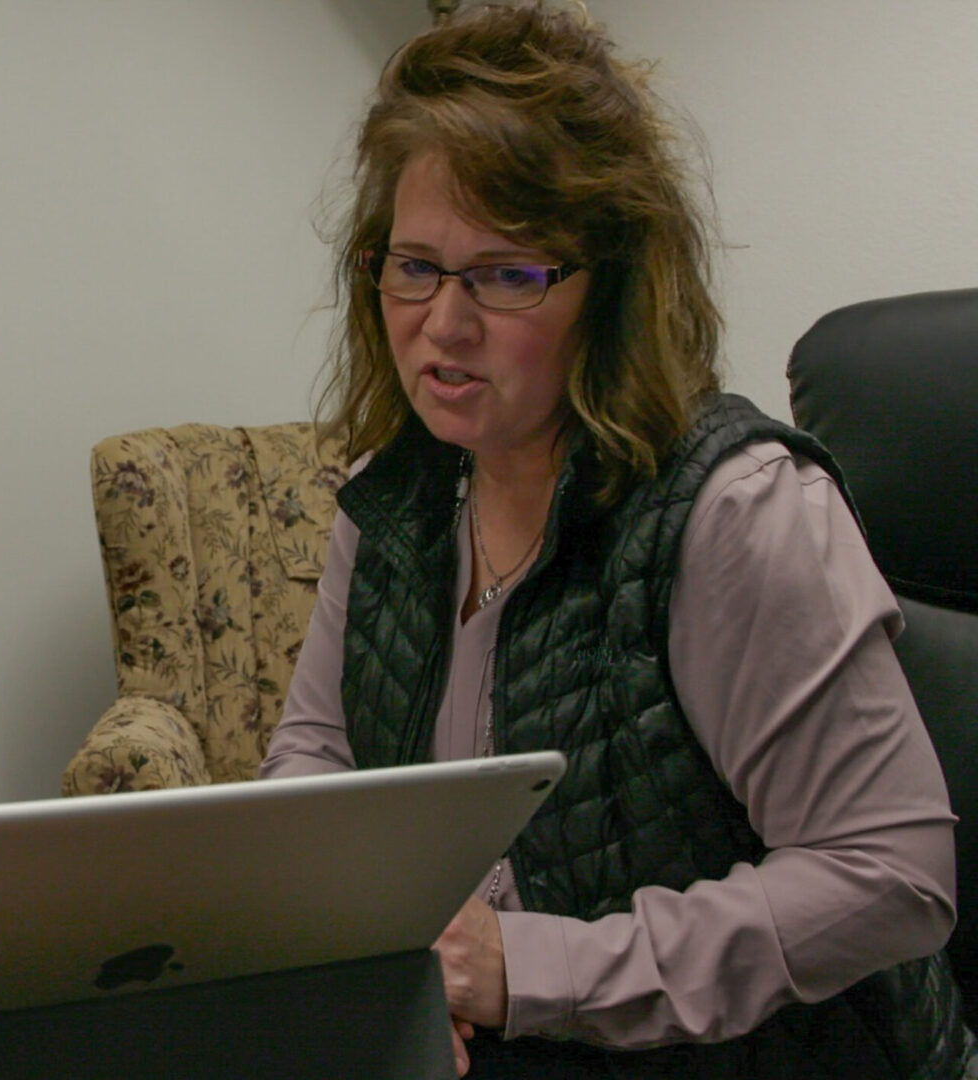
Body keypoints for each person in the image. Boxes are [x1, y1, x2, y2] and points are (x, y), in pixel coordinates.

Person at [261, 5, 969, 1078]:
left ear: (615, 291)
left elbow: (890, 874)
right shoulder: (393, 497)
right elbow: (316, 762)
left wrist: (525, 972)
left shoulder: (735, 514)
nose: (444, 323)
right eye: (414, 265)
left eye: (506, 275)